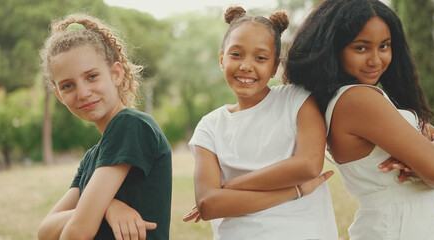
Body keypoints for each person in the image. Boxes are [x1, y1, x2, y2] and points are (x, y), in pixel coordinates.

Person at [286, 0, 434, 239]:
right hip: (398, 226)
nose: (376, 60)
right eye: (361, 48)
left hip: (406, 223)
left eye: (384, 46)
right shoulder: (358, 100)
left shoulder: (362, 98)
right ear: (334, 49)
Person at [184, 6, 338, 240]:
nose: (246, 66)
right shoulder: (210, 126)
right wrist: (295, 190)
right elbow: (208, 205)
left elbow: (308, 165)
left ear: (275, 66)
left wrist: (230, 187)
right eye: (236, 54)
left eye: (260, 58)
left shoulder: (296, 99)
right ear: (221, 59)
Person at [37, 13, 172, 240]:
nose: (83, 92)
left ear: (116, 74)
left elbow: (77, 234)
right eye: (68, 85)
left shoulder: (131, 125)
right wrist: (108, 208)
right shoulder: (92, 157)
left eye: (91, 76)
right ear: (59, 95)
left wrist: (92, 211)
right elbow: (44, 231)